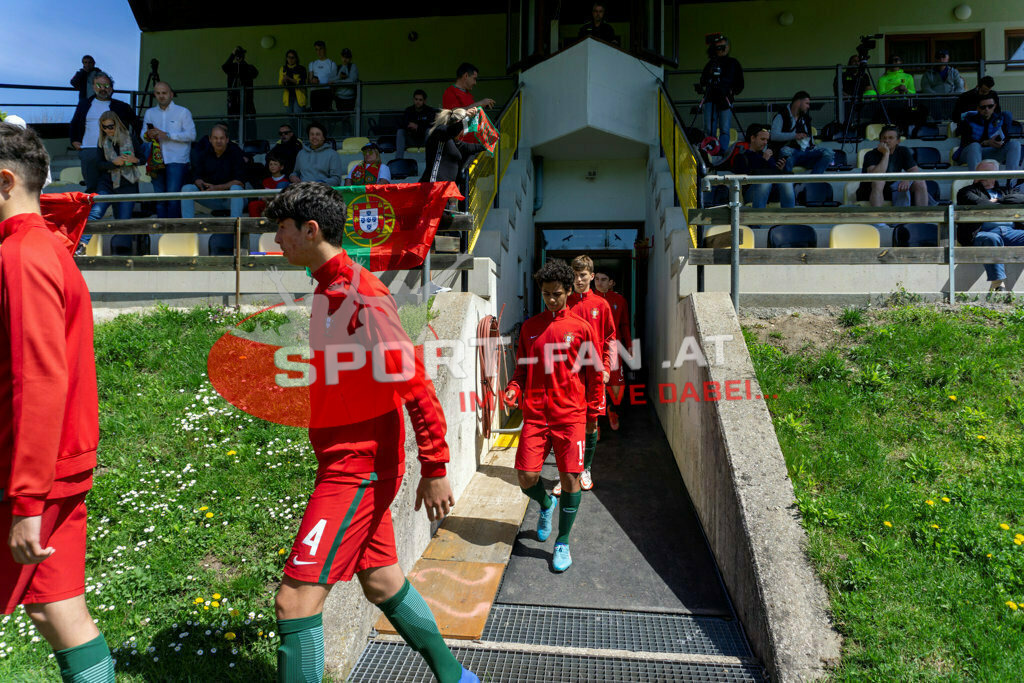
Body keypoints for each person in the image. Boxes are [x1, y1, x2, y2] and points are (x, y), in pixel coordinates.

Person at [264, 181, 479, 683]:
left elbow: (417, 384)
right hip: (348, 460)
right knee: (382, 582)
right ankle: (456, 677)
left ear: (310, 229)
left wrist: (437, 466)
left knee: (294, 602)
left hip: (357, 469)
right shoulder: (327, 287)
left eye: (282, 228)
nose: (276, 240)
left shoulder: (364, 296)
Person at [0, 122, 114, 683]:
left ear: (4, 181)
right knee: (56, 607)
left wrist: (25, 500)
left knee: (58, 608)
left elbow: (39, 380)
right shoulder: (48, 247)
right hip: (57, 472)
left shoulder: (21, 255)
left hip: (27, 479)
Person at [503, 258, 602, 573]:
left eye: (557, 293)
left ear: (569, 291)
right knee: (526, 477)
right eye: (546, 294)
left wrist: (594, 408)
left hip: (570, 417)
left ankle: (562, 541)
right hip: (535, 416)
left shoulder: (582, 329)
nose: (551, 299)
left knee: (571, 479)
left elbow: (594, 374)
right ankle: (546, 504)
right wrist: (514, 390)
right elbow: (521, 370)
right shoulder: (531, 328)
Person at [552, 254, 614, 496]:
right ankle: (566, 474)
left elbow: (610, 339)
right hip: (569, 376)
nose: (578, 280)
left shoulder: (602, 305)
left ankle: (585, 469)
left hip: (595, 375)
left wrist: (607, 368)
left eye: (582, 275)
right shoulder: (565, 304)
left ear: (591, 275)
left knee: (591, 422)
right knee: (566, 425)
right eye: (575, 275)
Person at [956, 159, 1024, 292]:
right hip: (981, 233)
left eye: (985, 172)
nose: (980, 175)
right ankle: (998, 284)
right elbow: (983, 204)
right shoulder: (966, 191)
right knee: (992, 238)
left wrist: (999, 200)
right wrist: (1001, 203)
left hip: (1010, 231)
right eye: (978, 172)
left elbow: (1021, 199)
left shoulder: (1005, 190)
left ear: (995, 174)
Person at [70, 73, 139, 201]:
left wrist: (135, 144)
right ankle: (95, 216)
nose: (103, 88)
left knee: (118, 186)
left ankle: (118, 215)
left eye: (106, 85)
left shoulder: (122, 106)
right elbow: (74, 123)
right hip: (90, 150)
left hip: (115, 151)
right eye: (99, 85)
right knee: (92, 187)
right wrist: (74, 141)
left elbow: (136, 124)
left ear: (111, 88)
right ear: (93, 87)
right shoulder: (84, 104)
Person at [180, 124, 247, 254]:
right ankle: (189, 230)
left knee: (235, 189)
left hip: (232, 199)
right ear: (210, 139)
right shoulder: (204, 154)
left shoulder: (235, 153)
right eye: (215, 138)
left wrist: (217, 188)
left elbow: (240, 182)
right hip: (213, 198)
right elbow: (195, 175)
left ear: (227, 139)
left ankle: (235, 230)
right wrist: (198, 181)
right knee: (187, 188)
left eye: (221, 138)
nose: (218, 141)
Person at [142, 81, 196, 219]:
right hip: (156, 161)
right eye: (158, 93)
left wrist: (168, 135)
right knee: (160, 200)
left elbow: (192, 135)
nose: (161, 96)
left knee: (173, 199)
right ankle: (161, 232)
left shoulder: (183, 112)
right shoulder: (150, 113)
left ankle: (173, 233)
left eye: (164, 93)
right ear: (155, 94)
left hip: (177, 160)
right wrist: (148, 135)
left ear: (171, 94)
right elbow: (143, 136)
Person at [593, 269, 630, 432]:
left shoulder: (619, 300)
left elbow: (624, 324)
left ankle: (612, 410)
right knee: (594, 384)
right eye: (597, 279)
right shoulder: (589, 299)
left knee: (617, 386)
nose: (599, 282)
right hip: (593, 348)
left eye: (604, 279)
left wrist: (629, 344)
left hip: (614, 347)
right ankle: (595, 423)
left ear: (611, 282)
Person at [88, 111, 141, 223]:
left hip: (128, 183)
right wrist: (113, 163)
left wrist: (134, 160)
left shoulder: (130, 137)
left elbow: (143, 158)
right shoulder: (102, 141)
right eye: (104, 127)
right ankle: (83, 241)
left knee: (123, 221)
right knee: (95, 214)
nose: (108, 130)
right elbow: (98, 164)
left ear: (117, 124)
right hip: (107, 183)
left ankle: (121, 241)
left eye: (110, 126)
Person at [861, 124, 928, 207]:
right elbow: (874, 176)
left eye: (890, 138)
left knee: (920, 181)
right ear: (880, 140)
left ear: (898, 141)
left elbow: (914, 170)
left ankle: (922, 216)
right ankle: (878, 218)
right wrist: (886, 154)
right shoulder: (870, 154)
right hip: (870, 190)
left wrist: (907, 178)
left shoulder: (903, 151)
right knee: (879, 182)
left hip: (894, 188)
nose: (886, 140)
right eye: (884, 138)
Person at [730, 123, 794, 209]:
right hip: (752, 193)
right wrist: (763, 160)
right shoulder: (741, 157)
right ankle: (759, 219)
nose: (765, 143)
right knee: (764, 182)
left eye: (767, 140)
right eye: (762, 139)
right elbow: (743, 178)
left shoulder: (767, 156)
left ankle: (789, 218)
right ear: (753, 138)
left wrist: (779, 169)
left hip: (771, 193)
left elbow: (772, 175)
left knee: (786, 181)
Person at [770, 91, 834, 174]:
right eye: (807, 103)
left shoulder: (806, 118)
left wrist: (812, 145)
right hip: (791, 153)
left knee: (828, 152)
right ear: (798, 102)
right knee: (785, 151)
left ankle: (813, 181)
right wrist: (795, 136)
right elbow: (774, 136)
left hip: (806, 152)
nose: (808, 106)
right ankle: (787, 181)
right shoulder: (781, 116)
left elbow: (810, 139)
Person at [698, 35, 744, 151]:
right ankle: (710, 150)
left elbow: (740, 83)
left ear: (728, 47)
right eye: (718, 47)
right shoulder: (711, 63)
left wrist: (731, 91)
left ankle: (722, 152)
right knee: (709, 128)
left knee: (724, 128)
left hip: (725, 99)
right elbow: (703, 79)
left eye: (723, 47)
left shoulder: (733, 63)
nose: (720, 49)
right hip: (710, 99)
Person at [954, 94, 1022, 172]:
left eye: (990, 106)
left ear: (995, 106)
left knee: (1015, 144)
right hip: (970, 153)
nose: (987, 109)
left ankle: (1011, 179)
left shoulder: (1000, 119)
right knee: (974, 146)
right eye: (983, 107)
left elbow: (1006, 137)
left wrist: (1001, 143)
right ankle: (977, 180)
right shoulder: (968, 120)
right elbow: (966, 142)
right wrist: (986, 142)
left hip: (992, 151)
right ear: (978, 108)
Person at [419, 108, 487, 184]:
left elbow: (473, 147)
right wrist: (466, 118)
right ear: (458, 123)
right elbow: (452, 131)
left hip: (448, 187)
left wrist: (492, 142)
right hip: (434, 186)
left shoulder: (455, 142)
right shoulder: (440, 132)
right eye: (466, 126)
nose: (467, 130)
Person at [222, 46, 258, 140]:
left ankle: (250, 141)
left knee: (248, 122)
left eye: (240, 55)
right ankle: (234, 141)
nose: (239, 57)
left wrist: (242, 64)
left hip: (246, 100)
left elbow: (255, 73)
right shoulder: (231, 67)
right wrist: (232, 55)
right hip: (233, 100)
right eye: (237, 55)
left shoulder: (248, 67)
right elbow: (224, 67)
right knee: (233, 123)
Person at [396, 89, 436, 160]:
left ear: (424, 101)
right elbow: (401, 123)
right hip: (411, 140)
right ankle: (398, 159)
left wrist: (417, 127)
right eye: (416, 99)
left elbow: (431, 125)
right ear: (413, 99)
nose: (418, 102)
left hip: (424, 140)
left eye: (420, 100)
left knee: (429, 131)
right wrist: (409, 124)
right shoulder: (409, 110)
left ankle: (430, 159)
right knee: (400, 131)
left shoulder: (430, 111)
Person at [248, 153, 290, 218]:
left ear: (281, 167)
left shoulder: (286, 180)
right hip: (266, 203)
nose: (272, 166)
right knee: (253, 204)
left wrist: (268, 198)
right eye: (270, 164)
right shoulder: (266, 180)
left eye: (275, 164)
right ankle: (255, 226)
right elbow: (261, 195)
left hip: (278, 204)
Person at [279, 49, 308, 131]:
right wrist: (284, 81)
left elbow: (302, 82)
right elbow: (280, 83)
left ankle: (300, 137)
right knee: (290, 118)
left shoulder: (301, 68)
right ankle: (293, 136)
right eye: (289, 57)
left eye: (292, 57)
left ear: (296, 59)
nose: (290, 59)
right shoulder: (283, 68)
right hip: (288, 97)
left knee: (297, 117)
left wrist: (289, 79)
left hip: (299, 96)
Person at [308, 41, 337, 114]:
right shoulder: (312, 63)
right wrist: (313, 81)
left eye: (320, 49)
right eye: (316, 50)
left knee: (326, 115)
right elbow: (309, 80)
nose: (319, 52)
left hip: (326, 92)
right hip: (315, 92)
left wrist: (333, 95)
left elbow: (334, 82)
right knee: (315, 115)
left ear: (325, 49)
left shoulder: (331, 64)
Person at [335, 48, 359, 137]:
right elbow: (331, 80)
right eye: (343, 57)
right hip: (339, 98)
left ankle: (348, 137)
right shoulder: (337, 67)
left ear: (350, 58)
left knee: (347, 119)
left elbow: (352, 80)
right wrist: (341, 79)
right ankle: (344, 137)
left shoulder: (353, 67)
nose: (345, 59)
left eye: (347, 57)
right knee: (342, 119)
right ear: (341, 57)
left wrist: (340, 80)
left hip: (349, 98)